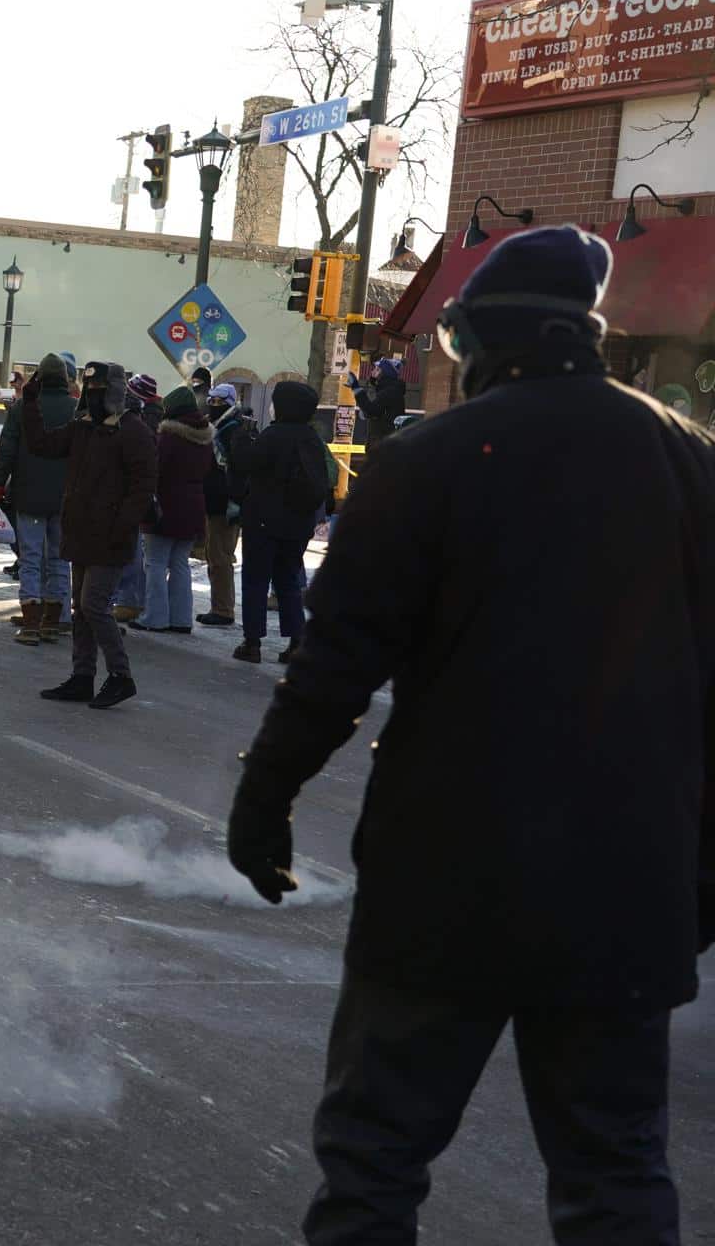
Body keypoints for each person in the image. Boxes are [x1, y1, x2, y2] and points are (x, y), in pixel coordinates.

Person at [229, 225, 715, 1245]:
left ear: (482, 340)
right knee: (616, 1173)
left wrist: (263, 797)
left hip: (443, 876)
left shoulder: (428, 462)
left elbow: (334, 668)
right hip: (627, 885)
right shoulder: (690, 463)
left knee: (374, 1161)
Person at [29, 362, 155, 709]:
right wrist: (29, 402)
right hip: (82, 532)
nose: (94, 395)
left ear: (114, 391)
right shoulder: (83, 427)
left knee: (93, 605)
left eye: (101, 389)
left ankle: (120, 676)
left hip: (110, 536)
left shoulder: (133, 431)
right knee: (81, 609)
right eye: (91, 389)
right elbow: (43, 445)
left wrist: (122, 527)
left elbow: (143, 487)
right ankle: (82, 676)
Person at [227, 380, 327, 664]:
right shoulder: (311, 439)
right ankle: (297, 640)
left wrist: (242, 437)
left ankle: (252, 641)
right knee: (289, 581)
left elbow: (246, 463)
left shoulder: (274, 435)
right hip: (299, 523)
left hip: (264, 521)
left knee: (256, 580)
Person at [0, 352, 76, 645]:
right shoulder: (76, 410)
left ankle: (30, 623)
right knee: (59, 559)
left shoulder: (23, 408)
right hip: (65, 499)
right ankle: (53, 621)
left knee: (30, 559)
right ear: (65, 379)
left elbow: (7, 450)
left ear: (39, 376)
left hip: (29, 494)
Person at [130, 386, 213, 634]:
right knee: (179, 563)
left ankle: (155, 617)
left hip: (165, 506)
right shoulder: (205, 438)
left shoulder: (168, 437)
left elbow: (156, 470)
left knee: (155, 562)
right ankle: (181, 619)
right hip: (193, 505)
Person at [112, 371, 163, 622]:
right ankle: (132, 600)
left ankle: (130, 600)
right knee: (137, 549)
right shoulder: (152, 418)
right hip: (141, 492)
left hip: (134, 492)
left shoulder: (143, 422)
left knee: (133, 550)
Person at [196, 383, 242, 628]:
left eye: (218, 402)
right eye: (211, 401)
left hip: (224, 505)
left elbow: (228, 470)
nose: (213, 405)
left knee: (220, 556)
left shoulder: (229, 430)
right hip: (217, 502)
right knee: (215, 555)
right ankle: (220, 606)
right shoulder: (221, 428)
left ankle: (223, 609)